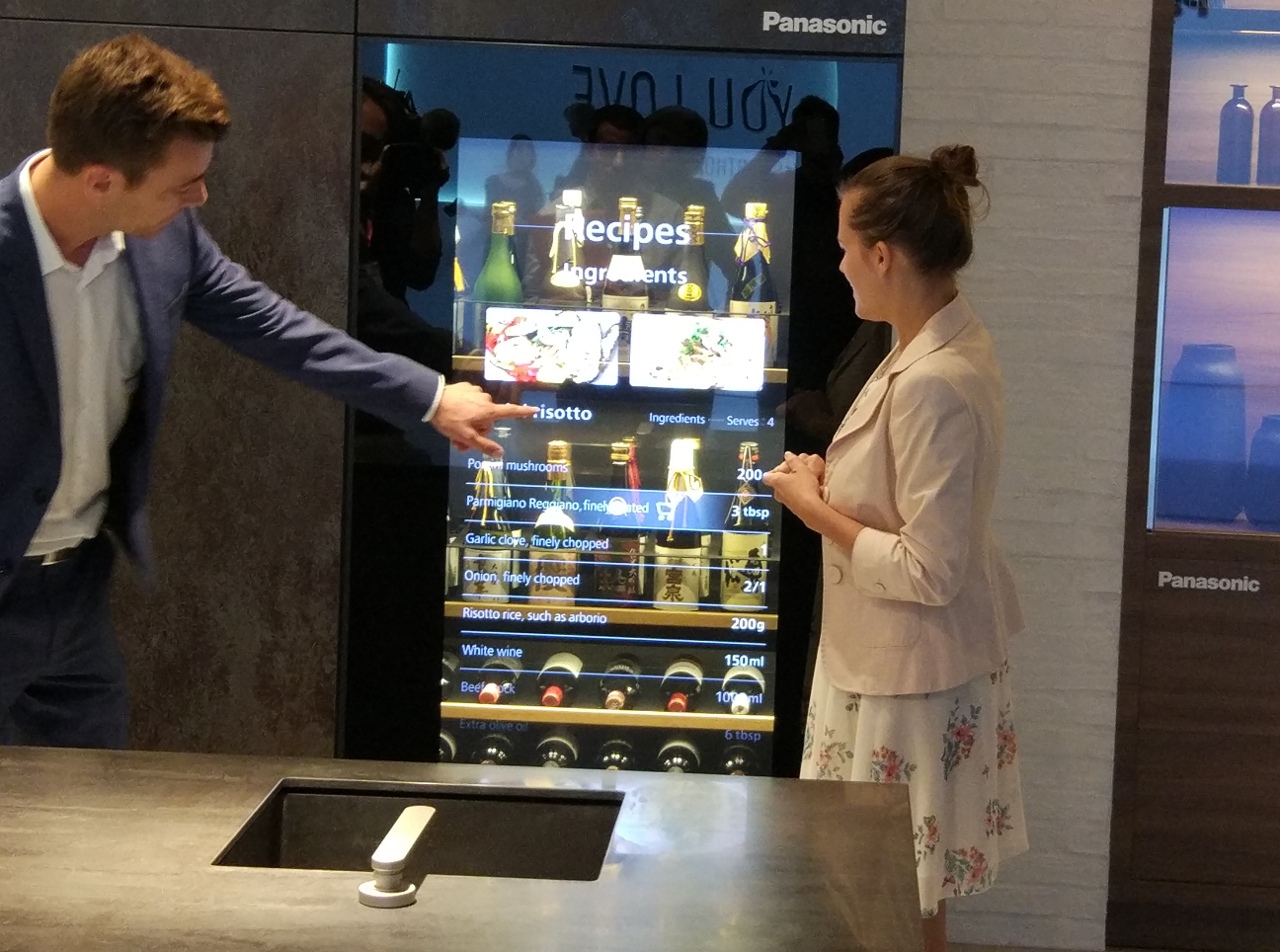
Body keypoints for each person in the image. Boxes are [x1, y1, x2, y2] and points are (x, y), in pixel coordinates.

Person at [0, 34, 535, 750]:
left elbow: (276, 327)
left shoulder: (166, 239)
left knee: (89, 804)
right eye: (182, 185)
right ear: (100, 181)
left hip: (75, 595)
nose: (200, 197)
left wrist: (432, 399)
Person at [762, 144, 1027, 952]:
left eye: (846, 247)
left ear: (882, 255)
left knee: (881, 896)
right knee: (901, 897)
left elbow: (928, 566)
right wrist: (831, 486)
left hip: (907, 677)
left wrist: (816, 511)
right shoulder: (930, 343)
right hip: (899, 663)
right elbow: (912, 503)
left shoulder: (932, 377)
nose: (839, 264)